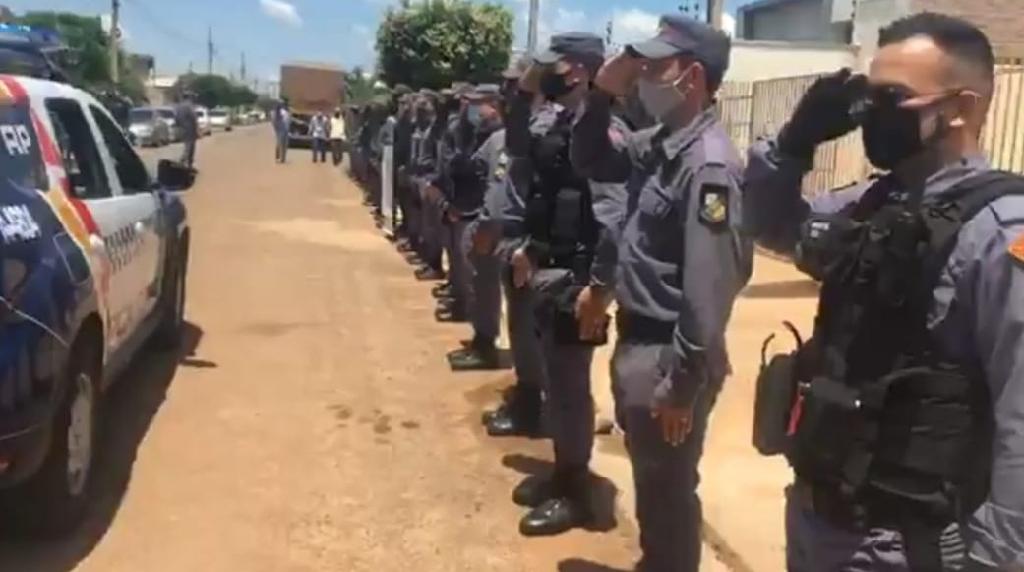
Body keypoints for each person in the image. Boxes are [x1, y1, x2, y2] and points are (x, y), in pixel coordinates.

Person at [744, 12, 1024, 571]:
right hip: (820, 519)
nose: (872, 114)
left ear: (961, 108)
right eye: (867, 98)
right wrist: (793, 144)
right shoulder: (870, 208)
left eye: (891, 97)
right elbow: (768, 224)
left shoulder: (1002, 234)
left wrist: (997, 560)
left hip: (910, 544)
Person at [572, 16, 752, 571]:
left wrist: (681, 384)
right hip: (640, 345)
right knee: (653, 486)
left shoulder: (709, 167)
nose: (643, 75)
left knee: (669, 494)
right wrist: (602, 94)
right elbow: (591, 160)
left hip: (669, 355)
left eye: (654, 66)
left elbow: (708, 289)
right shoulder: (660, 146)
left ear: (692, 77)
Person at [503, 32, 608, 537]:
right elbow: (523, 154)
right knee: (557, 378)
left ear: (582, 70)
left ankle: (577, 489)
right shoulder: (561, 121)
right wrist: (524, 95)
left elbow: (610, 216)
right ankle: (564, 469)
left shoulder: (607, 131)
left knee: (570, 385)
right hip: (550, 264)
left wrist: (599, 287)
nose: (547, 75)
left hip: (580, 274)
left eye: (556, 68)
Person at [442, 84, 506, 367]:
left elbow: (496, 184)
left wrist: (487, 223)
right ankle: (482, 340)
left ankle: (486, 345)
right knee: (479, 282)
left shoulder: (504, 137)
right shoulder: (481, 135)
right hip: (476, 214)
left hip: (488, 220)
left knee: (487, 284)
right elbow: (466, 169)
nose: (475, 110)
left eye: (481, 104)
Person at [176, 91, 200, 168]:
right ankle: (184, 162)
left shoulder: (179, 106)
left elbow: (176, 118)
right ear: (190, 97)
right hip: (190, 129)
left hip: (182, 128)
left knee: (187, 146)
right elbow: (194, 118)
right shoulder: (189, 106)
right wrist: (197, 130)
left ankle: (187, 163)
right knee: (190, 147)